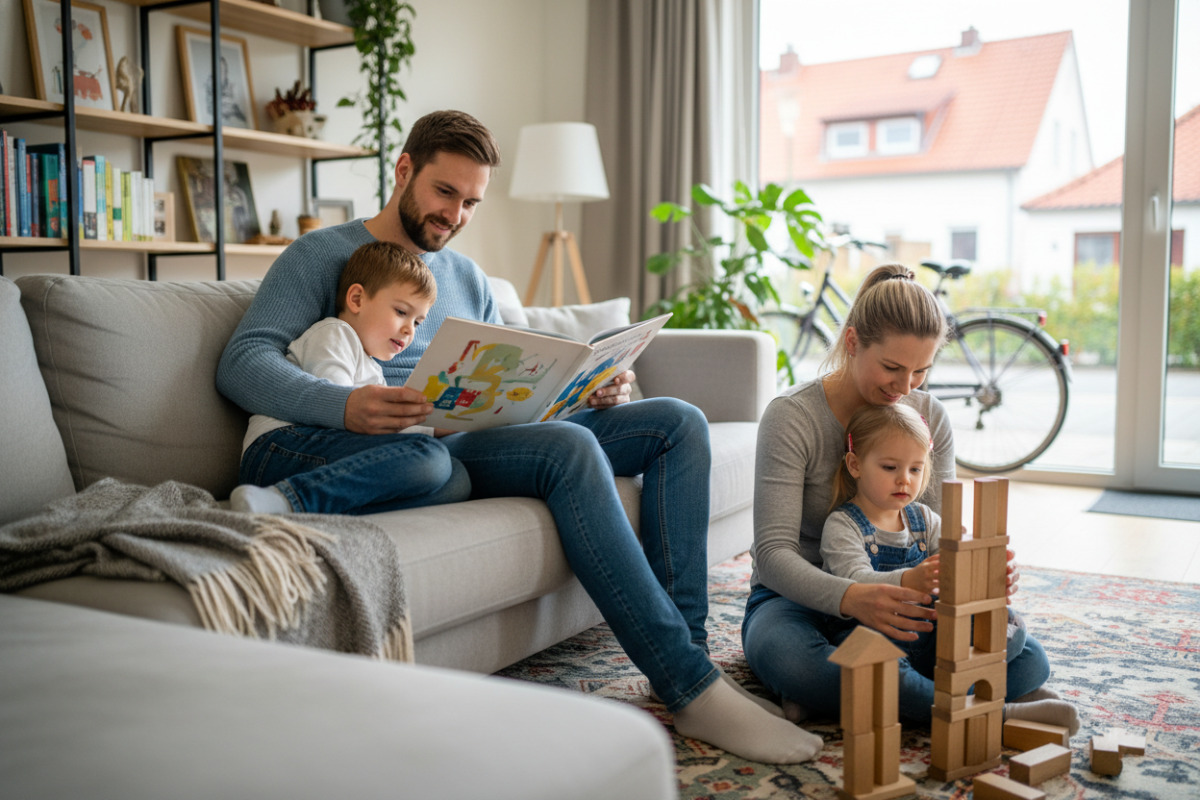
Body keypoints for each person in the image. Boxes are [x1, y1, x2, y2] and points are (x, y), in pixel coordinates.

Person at [217, 109, 822, 763]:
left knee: (677, 422)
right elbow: (243, 361)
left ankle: (691, 654)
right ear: (404, 171)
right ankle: (690, 689)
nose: (455, 215)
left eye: (472, 202)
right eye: (444, 192)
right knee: (566, 451)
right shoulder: (323, 255)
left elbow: (494, 389)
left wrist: (583, 390)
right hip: (386, 440)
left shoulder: (468, 279)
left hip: (461, 436)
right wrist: (345, 405)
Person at [741, 263, 1078, 733]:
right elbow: (775, 555)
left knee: (1027, 656)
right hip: (798, 600)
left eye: (921, 371)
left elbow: (936, 530)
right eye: (893, 369)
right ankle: (983, 713)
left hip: (906, 602)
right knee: (795, 661)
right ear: (854, 342)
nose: (904, 389)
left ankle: (852, 696)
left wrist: (979, 573)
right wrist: (854, 597)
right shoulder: (791, 417)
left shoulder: (928, 415)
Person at [818, 403, 1034, 722]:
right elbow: (855, 580)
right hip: (875, 638)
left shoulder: (925, 519)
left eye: (915, 469)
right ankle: (989, 712)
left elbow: (958, 562)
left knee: (1024, 645)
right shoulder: (842, 525)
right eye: (890, 468)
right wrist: (909, 581)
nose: (904, 480)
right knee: (882, 673)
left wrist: (990, 571)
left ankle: (943, 695)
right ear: (855, 464)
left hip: (935, 642)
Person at [230, 241, 469, 516]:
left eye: (417, 322)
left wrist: (434, 426)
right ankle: (289, 499)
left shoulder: (372, 367)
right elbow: (338, 416)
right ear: (356, 299)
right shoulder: (334, 333)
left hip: (316, 456)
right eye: (402, 312)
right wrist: (424, 435)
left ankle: (303, 504)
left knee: (457, 480)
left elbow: (377, 426)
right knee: (431, 456)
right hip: (281, 449)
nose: (408, 331)